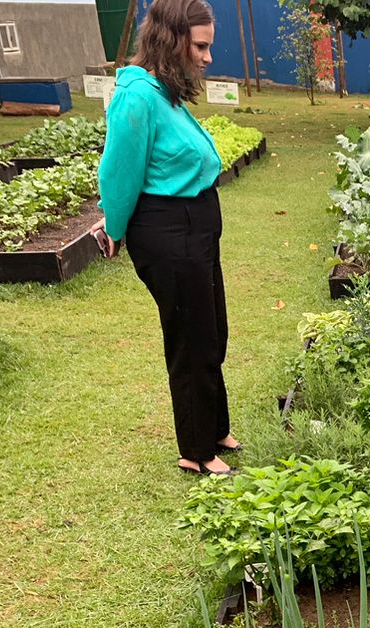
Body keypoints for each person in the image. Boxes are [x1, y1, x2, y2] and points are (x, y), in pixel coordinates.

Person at [95, 0, 239, 477]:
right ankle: (196, 450)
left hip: (196, 224)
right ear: (171, 40)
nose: (207, 57)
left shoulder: (164, 91)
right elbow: (119, 171)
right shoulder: (137, 96)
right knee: (190, 337)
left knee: (213, 330)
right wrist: (113, 229)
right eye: (200, 46)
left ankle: (216, 426)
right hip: (167, 229)